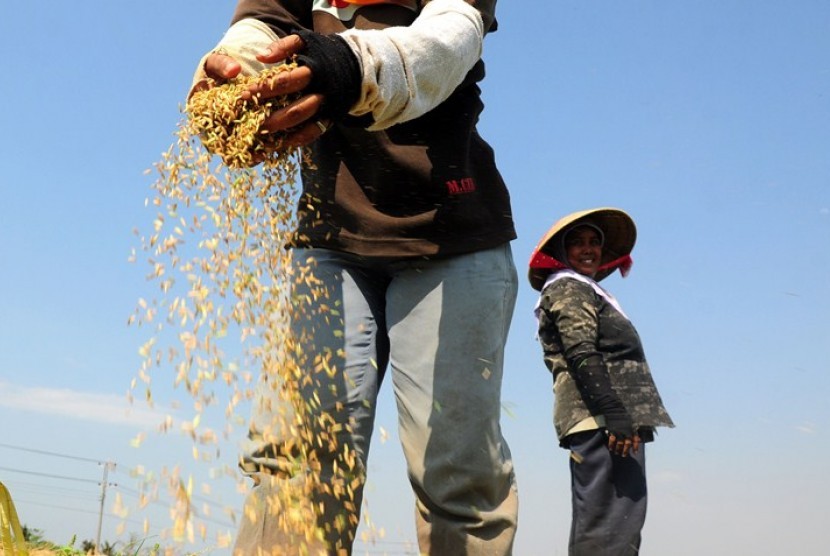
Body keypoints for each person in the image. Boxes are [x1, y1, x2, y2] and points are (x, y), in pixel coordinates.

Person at [189, 1, 518, 554]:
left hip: (450, 233)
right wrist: (228, 72)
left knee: (457, 471)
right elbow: (261, 29)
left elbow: (450, 39)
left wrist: (350, 67)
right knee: (296, 454)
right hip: (330, 234)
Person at [528, 208, 674, 555]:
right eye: (576, 243)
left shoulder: (586, 290)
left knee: (615, 525)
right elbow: (580, 350)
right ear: (562, 253)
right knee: (608, 526)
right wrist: (615, 415)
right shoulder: (568, 287)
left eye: (594, 241)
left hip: (612, 422)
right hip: (603, 421)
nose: (588, 249)